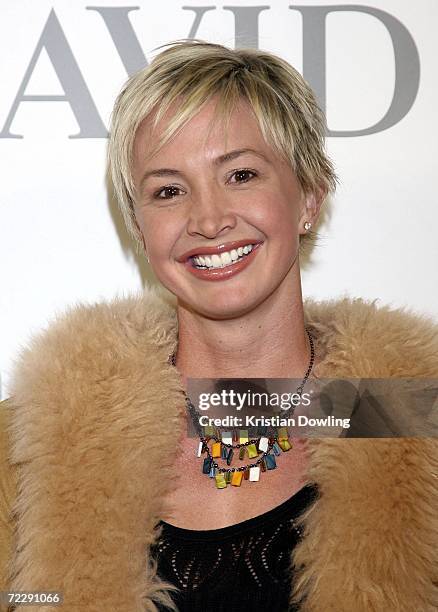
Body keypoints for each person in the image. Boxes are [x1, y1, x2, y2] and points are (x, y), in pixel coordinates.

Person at [1, 39, 437, 612]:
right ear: (139, 225)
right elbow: (30, 599)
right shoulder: (32, 449)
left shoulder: (410, 422)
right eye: (168, 191)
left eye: (241, 175)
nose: (207, 219)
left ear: (310, 194)